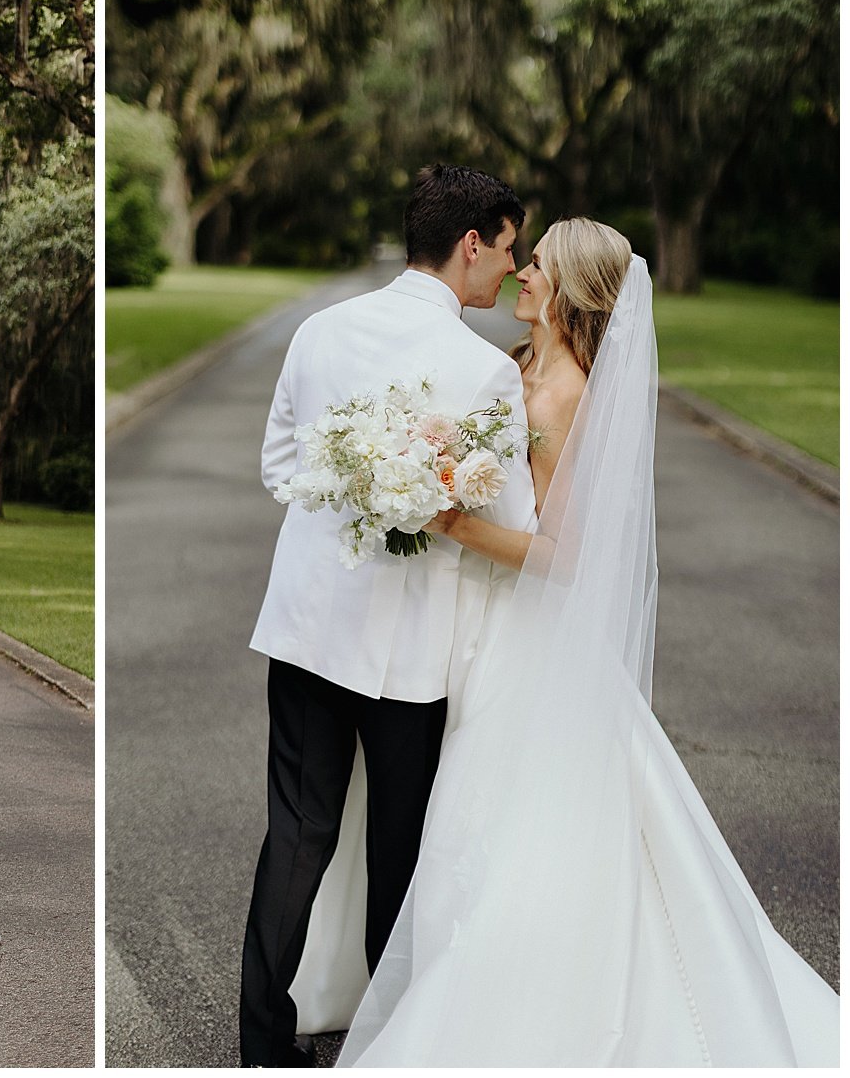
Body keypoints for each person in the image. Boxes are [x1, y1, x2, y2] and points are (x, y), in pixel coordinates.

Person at [302, 219, 838, 1065]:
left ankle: (503, 1011)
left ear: (571, 291)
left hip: (530, 638)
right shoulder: (518, 371)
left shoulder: (568, 395)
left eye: (537, 265)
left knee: (505, 825)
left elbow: (565, 556)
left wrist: (449, 521)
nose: (521, 274)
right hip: (485, 627)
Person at [240, 164, 539, 1067]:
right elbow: (515, 524)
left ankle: (260, 1048)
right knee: (398, 855)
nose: (512, 273)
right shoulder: (485, 370)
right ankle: (388, 1046)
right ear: (473, 242)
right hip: (411, 652)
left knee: (296, 833)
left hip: (306, 628)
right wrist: (416, 505)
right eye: (510, 249)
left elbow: (279, 466)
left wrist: (358, 494)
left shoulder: (320, 330)